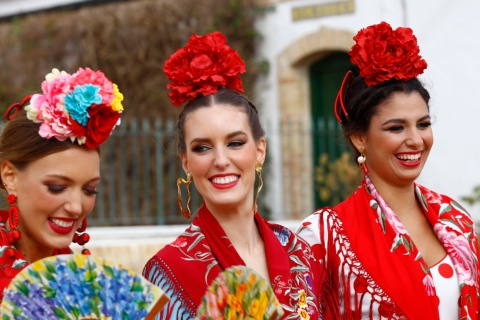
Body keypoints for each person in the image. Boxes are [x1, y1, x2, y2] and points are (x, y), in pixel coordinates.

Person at [143, 31, 335, 319]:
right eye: (202, 148)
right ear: (186, 162)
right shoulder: (168, 272)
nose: (221, 161)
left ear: (259, 150)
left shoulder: (301, 253)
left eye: (235, 143)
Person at [297, 21, 480, 319]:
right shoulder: (325, 235)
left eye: (423, 124)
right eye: (396, 127)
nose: (415, 140)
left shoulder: (454, 218)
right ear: (360, 138)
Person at [0, 67, 124, 301]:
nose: (76, 207)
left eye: (89, 190)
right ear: (10, 177)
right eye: (57, 187)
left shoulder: (82, 284)